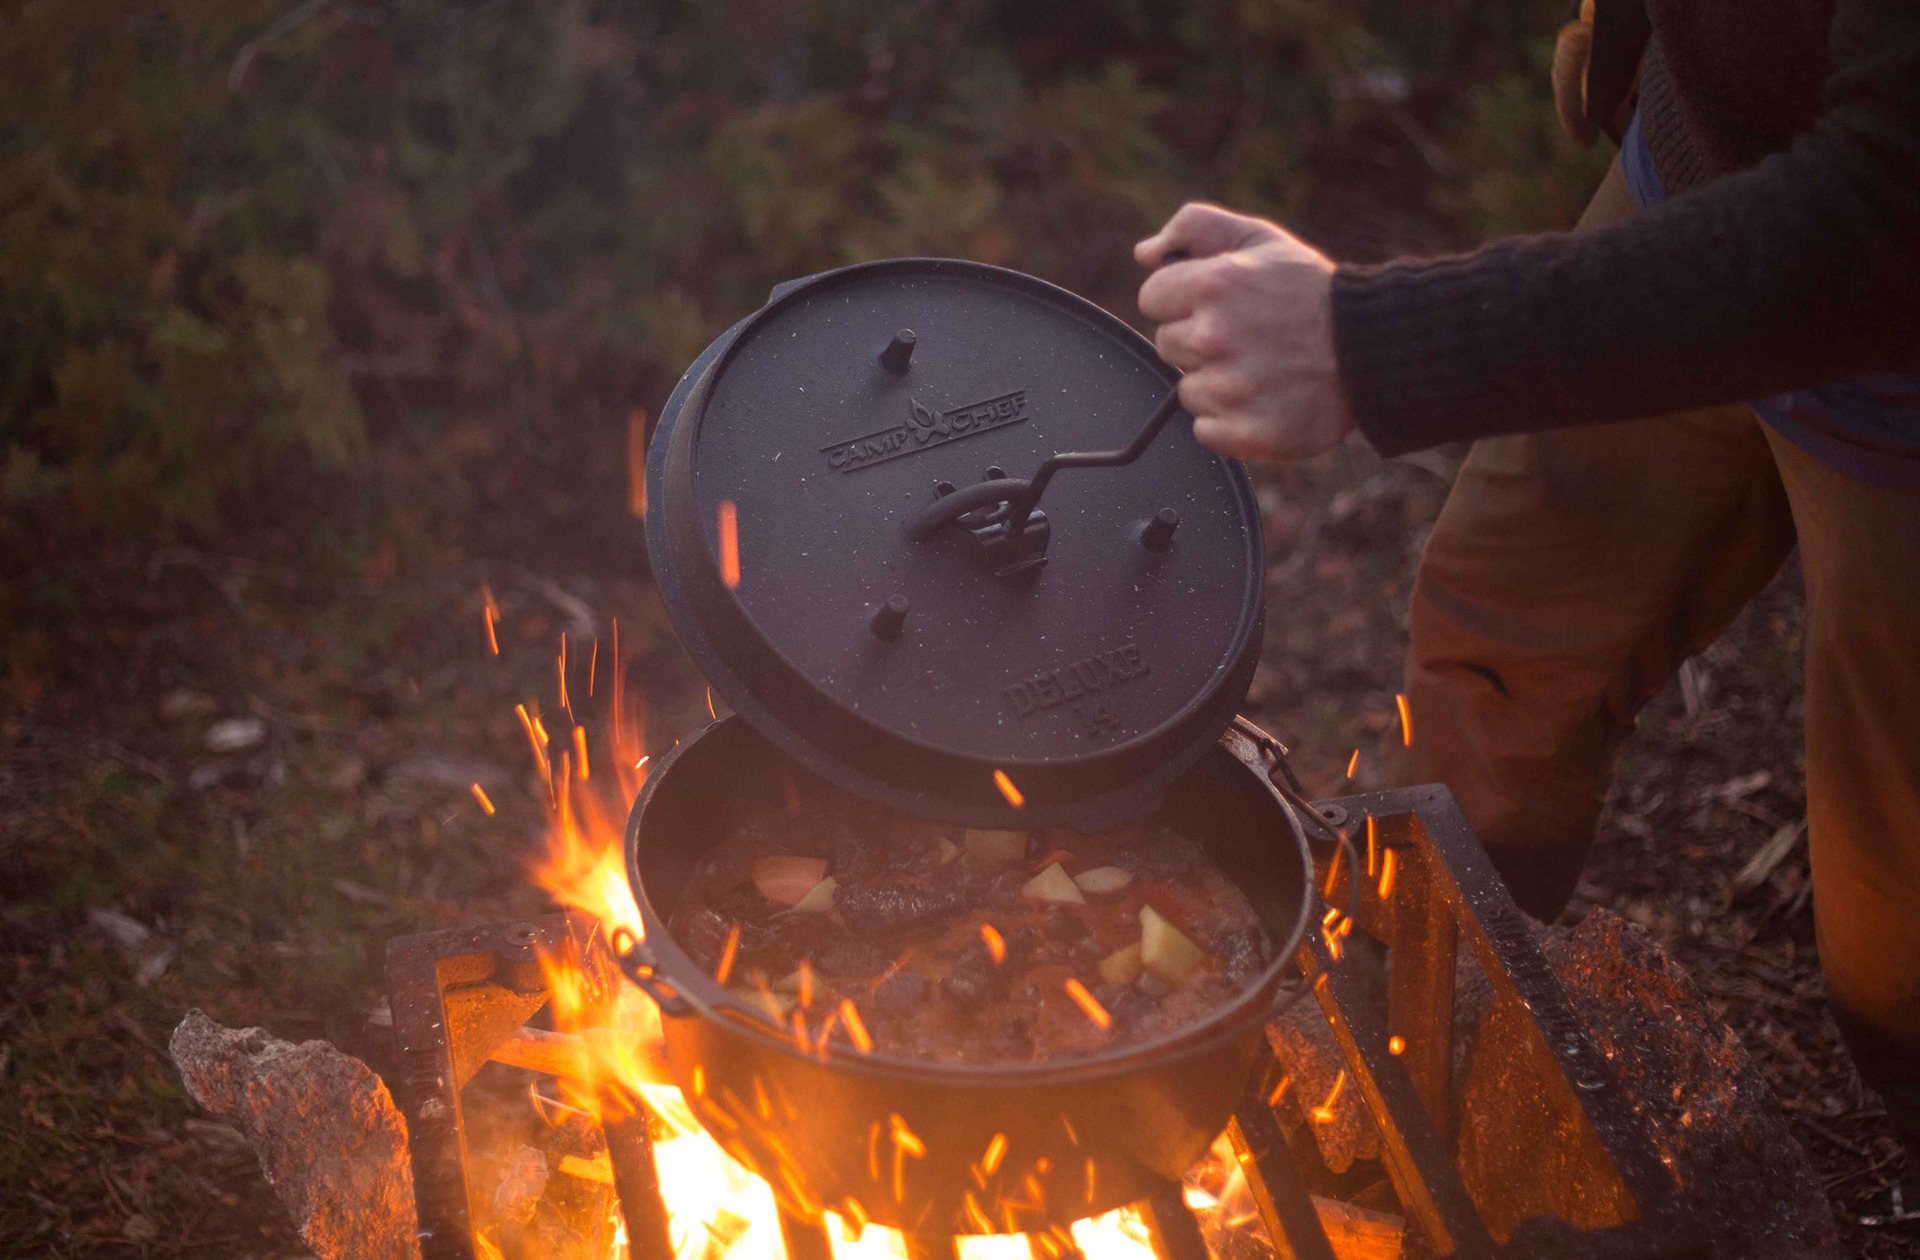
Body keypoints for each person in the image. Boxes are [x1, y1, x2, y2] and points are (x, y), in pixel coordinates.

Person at [1133, 0, 1920, 1159]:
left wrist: (1375, 344)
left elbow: (1885, 222)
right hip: (1704, 183)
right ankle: (1404, 1079)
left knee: (1896, 937)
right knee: (1504, 629)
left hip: (1880, 296)